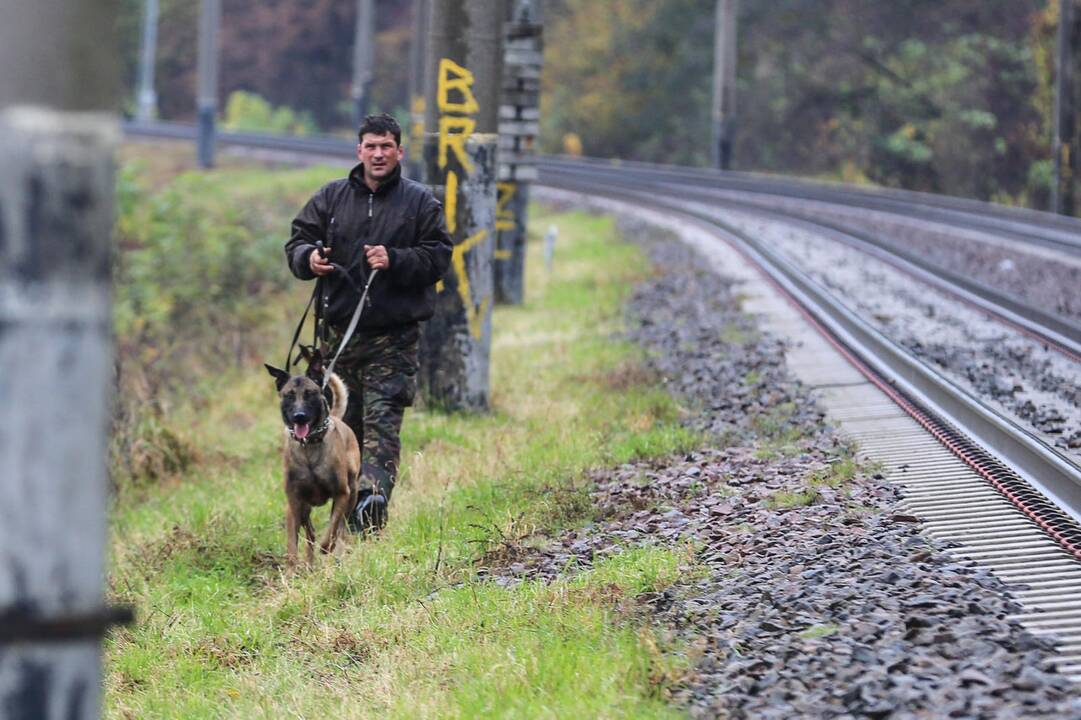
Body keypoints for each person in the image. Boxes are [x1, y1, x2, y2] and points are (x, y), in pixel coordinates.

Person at [284, 113, 452, 533]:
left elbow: (439, 257)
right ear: (359, 151)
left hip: (393, 340)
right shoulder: (331, 198)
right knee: (341, 428)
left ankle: (371, 505)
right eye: (371, 146)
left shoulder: (420, 203)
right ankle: (343, 510)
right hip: (336, 342)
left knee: (382, 426)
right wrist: (310, 259)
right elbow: (297, 242)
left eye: (386, 146)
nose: (378, 154)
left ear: (399, 151)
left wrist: (395, 259)